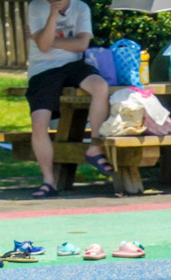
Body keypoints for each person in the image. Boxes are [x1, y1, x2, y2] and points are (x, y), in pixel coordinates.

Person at [25, 0, 113, 199]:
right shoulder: (37, 7)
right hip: (44, 69)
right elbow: (44, 48)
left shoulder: (81, 8)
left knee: (100, 86)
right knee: (40, 123)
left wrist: (45, 40)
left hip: (73, 65)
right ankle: (49, 181)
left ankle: (95, 148)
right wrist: (53, 16)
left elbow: (82, 44)